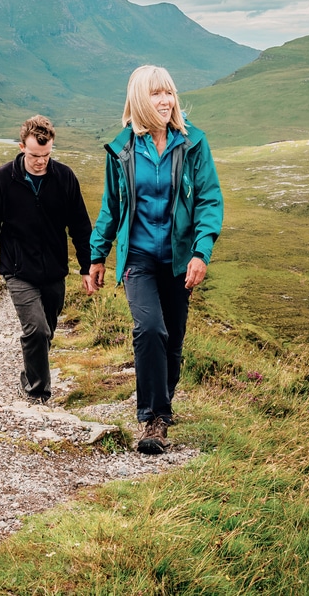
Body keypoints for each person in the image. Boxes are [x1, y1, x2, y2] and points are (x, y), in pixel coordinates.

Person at [89, 65, 223, 454]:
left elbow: (209, 200)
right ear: (138, 100)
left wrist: (201, 251)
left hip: (179, 261)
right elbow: (111, 207)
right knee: (150, 329)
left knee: (173, 341)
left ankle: (161, 407)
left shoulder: (192, 143)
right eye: (155, 94)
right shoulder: (123, 149)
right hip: (140, 259)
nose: (165, 101)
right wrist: (98, 255)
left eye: (169, 93)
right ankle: (153, 420)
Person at [0, 115, 95, 405]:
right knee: (37, 329)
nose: (41, 161)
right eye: (34, 155)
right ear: (21, 147)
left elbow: (80, 227)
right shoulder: (3, 178)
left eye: (46, 155)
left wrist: (87, 266)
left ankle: (29, 374)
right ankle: (37, 392)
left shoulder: (64, 177)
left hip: (54, 271)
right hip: (18, 269)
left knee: (46, 332)